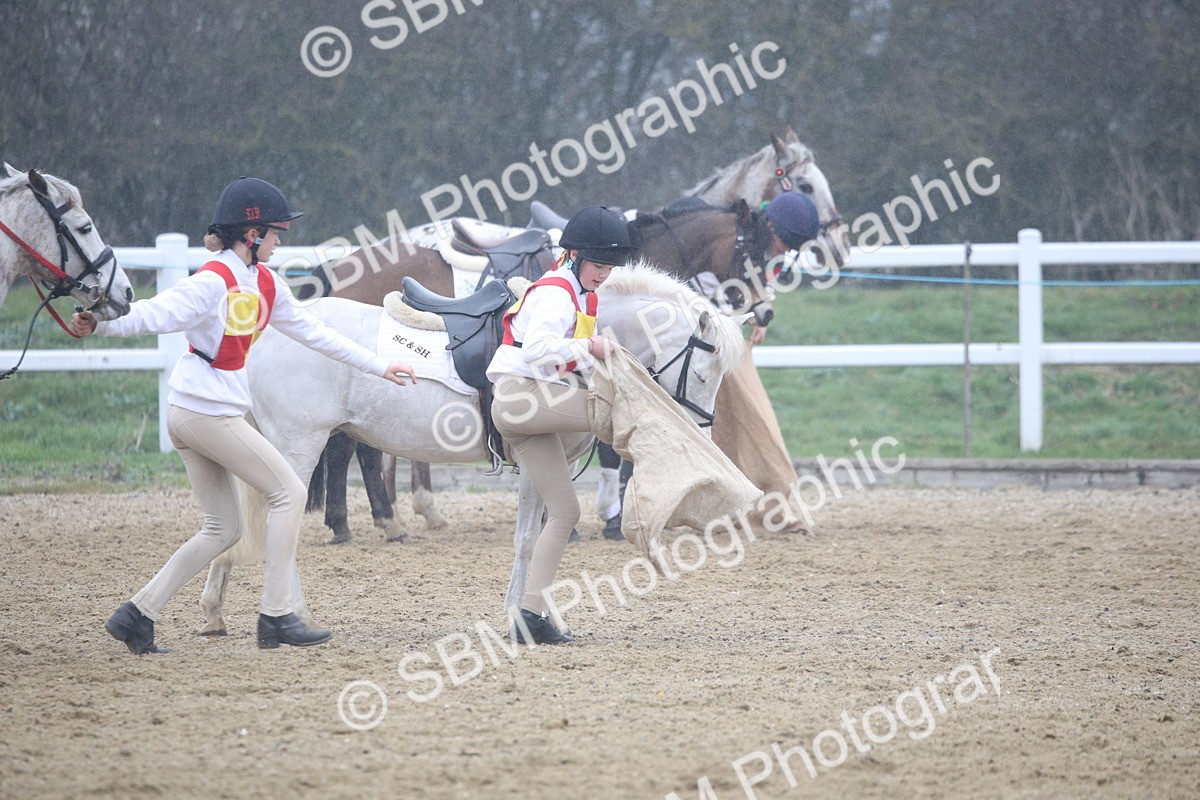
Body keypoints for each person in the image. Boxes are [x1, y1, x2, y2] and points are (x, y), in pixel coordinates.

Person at [70, 176, 417, 654]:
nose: (280, 242)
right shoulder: (214, 279)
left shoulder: (264, 282)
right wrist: (102, 325)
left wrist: (380, 366)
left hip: (197, 413)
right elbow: (157, 313)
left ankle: (136, 614)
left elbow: (315, 333)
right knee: (290, 492)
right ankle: (276, 615)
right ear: (251, 235)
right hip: (205, 415)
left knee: (223, 528)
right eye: (276, 234)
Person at [486, 205, 634, 644]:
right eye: (599, 265)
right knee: (618, 412)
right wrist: (592, 346)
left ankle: (529, 616)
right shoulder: (556, 291)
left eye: (610, 267)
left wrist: (589, 350)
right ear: (574, 256)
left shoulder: (580, 291)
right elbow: (537, 351)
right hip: (521, 399)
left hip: (529, 409)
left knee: (566, 511)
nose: (604, 274)